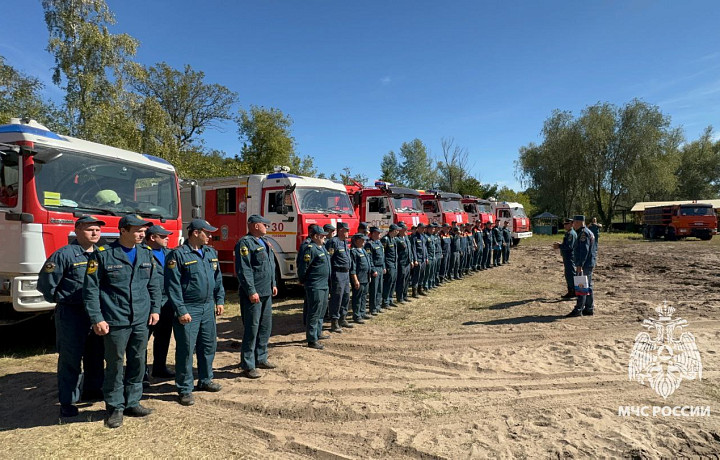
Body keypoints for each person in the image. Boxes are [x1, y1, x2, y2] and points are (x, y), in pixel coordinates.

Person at [84, 215, 161, 429]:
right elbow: (90, 290)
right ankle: (115, 406)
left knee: (138, 360)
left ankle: (133, 401)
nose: (142, 234)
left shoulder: (146, 253)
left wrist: (155, 309)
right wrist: (97, 318)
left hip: (141, 319)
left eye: (143, 230)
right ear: (123, 231)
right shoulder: (104, 255)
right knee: (115, 364)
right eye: (137, 230)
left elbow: (153, 284)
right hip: (115, 319)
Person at [38, 215, 106, 418]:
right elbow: (46, 284)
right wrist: (64, 300)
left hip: (96, 313)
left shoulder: (103, 254)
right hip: (72, 314)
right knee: (71, 357)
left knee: (96, 354)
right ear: (76, 231)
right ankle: (68, 400)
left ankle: (93, 389)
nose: (94, 233)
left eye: (97, 230)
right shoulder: (64, 255)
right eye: (89, 229)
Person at [166, 219, 225, 406]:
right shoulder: (178, 255)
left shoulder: (210, 253)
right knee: (186, 349)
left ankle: (206, 379)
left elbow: (218, 279)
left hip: (208, 307)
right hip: (189, 307)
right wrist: (181, 310)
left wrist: (220, 300)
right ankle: (184, 388)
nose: (210, 236)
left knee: (208, 345)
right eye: (206, 232)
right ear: (195, 233)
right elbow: (173, 286)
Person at [235, 215, 278, 379]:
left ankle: (261, 357)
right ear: (253, 225)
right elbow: (244, 270)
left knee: (265, 327)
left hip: (266, 291)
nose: (267, 226)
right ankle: (248, 363)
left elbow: (270, 265)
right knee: (252, 329)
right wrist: (251, 290)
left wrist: (274, 283)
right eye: (264, 224)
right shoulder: (245, 243)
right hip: (254, 294)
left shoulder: (265, 242)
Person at [143, 225, 175, 384]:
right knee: (142, 340)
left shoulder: (169, 253)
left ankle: (159, 367)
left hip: (167, 302)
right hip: (148, 302)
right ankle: (141, 375)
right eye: (163, 236)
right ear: (152, 237)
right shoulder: (142, 252)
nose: (167, 238)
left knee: (164, 337)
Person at [298, 224, 331, 349]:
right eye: (322, 236)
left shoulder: (321, 247)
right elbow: (303, 267)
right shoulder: (310, 248)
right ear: (316, 236)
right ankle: (312, 339)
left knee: (321, 311)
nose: (324, 238)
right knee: (314, 312)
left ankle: (318, 333)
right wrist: (303, 280)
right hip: (315, 284)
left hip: (324, 284)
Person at [566, 215, 596, 317]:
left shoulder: (583, 234)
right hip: (589, 263)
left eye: (574, 222)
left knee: (581, 286)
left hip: (584, 264)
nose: (573, 225)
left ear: (579, 222)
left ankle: (578, 309)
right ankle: (589, 308)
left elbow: (584, 251)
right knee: (588, 286)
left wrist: (580, 265)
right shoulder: (588, 232)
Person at [326, 222, 353, 333]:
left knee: (346, 296)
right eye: (346, 230)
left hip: (346, 274)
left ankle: (343, 318)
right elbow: (329, 259)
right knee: (337, 297)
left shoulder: (344, 242)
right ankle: (334, 321)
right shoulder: (333, 242)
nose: (348, 232)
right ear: (341, 230)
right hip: (337, 273)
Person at [349, 233, 370, 323]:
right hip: (359, 278)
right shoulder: (353, 252)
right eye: (363, 240)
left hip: (365, 277)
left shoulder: (363, 250)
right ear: (357, 241)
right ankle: (357, 315)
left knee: (364, 296)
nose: (364, 241)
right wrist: (355, 280)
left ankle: (362, 312)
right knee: (357, 297)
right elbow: (353, 268)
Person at [553, 218, 577, 299]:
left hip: (570, 256)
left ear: (571, 224)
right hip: (567, 256)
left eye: (567, 224)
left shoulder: (571, 234)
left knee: (570, 274)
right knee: (568, 273)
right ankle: (571, 291)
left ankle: (573, 291)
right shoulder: (569, 233)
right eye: (564, 224)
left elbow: (569, 246)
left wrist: (559, 246)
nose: (565, 225)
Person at [365, 226, 386, 313]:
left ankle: (378, 305)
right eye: (378, 233)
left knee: (379, 288)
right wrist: (373, 270)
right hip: (375, 268)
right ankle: (373, 308)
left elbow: (382, 256)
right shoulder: (369, 244)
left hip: (381, 267)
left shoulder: (379, 243)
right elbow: (369, 258)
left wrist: (384, 267)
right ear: (373, 233)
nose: (380, 234)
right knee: (374, 289)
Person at [395, 222, 414, 303]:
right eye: (404, 229)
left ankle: (405, 295)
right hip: (401, 263)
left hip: (407, 262)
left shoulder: (406, 238)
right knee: (401, 280)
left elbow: (410, 250)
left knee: (406, 280)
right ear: (400, 230)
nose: (406, 230)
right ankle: (400, 297)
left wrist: (411, 260)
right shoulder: (397, 239)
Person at [381, 224, 399, 308]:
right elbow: (383, 254)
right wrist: (385, 266)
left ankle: (390, 299)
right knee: (388, 282)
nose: (398, 232)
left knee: (393, 282)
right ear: (393, 230)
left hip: (394, 263)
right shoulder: (385, 239)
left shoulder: (393, 239)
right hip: (389, 264)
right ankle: (385, 301)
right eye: (397, 230)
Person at [410, 223, 428, 297]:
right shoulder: (414, 237)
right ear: (418, 228)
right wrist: (415, 260)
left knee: (422, 275)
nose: (424, 229)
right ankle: (414, 291)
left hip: (423, 258)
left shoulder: (423, 236)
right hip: (418, 259)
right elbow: (413, 249)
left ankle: (420, 289)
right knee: (416, 275)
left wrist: (426, 257)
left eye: (424, 228)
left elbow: (425, 248)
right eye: (422, 228)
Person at [423, 224, 437, 290]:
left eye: (433, 229)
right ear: (428, 229)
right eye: (431, 229)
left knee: (432, 271)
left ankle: (430, 284)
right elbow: (425, 248)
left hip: (433, 256)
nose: (432, 230)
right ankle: (425, 285)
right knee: (427, 272)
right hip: (429, 257)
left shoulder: (433, 237)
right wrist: (426, 257)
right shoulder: (425, 237)